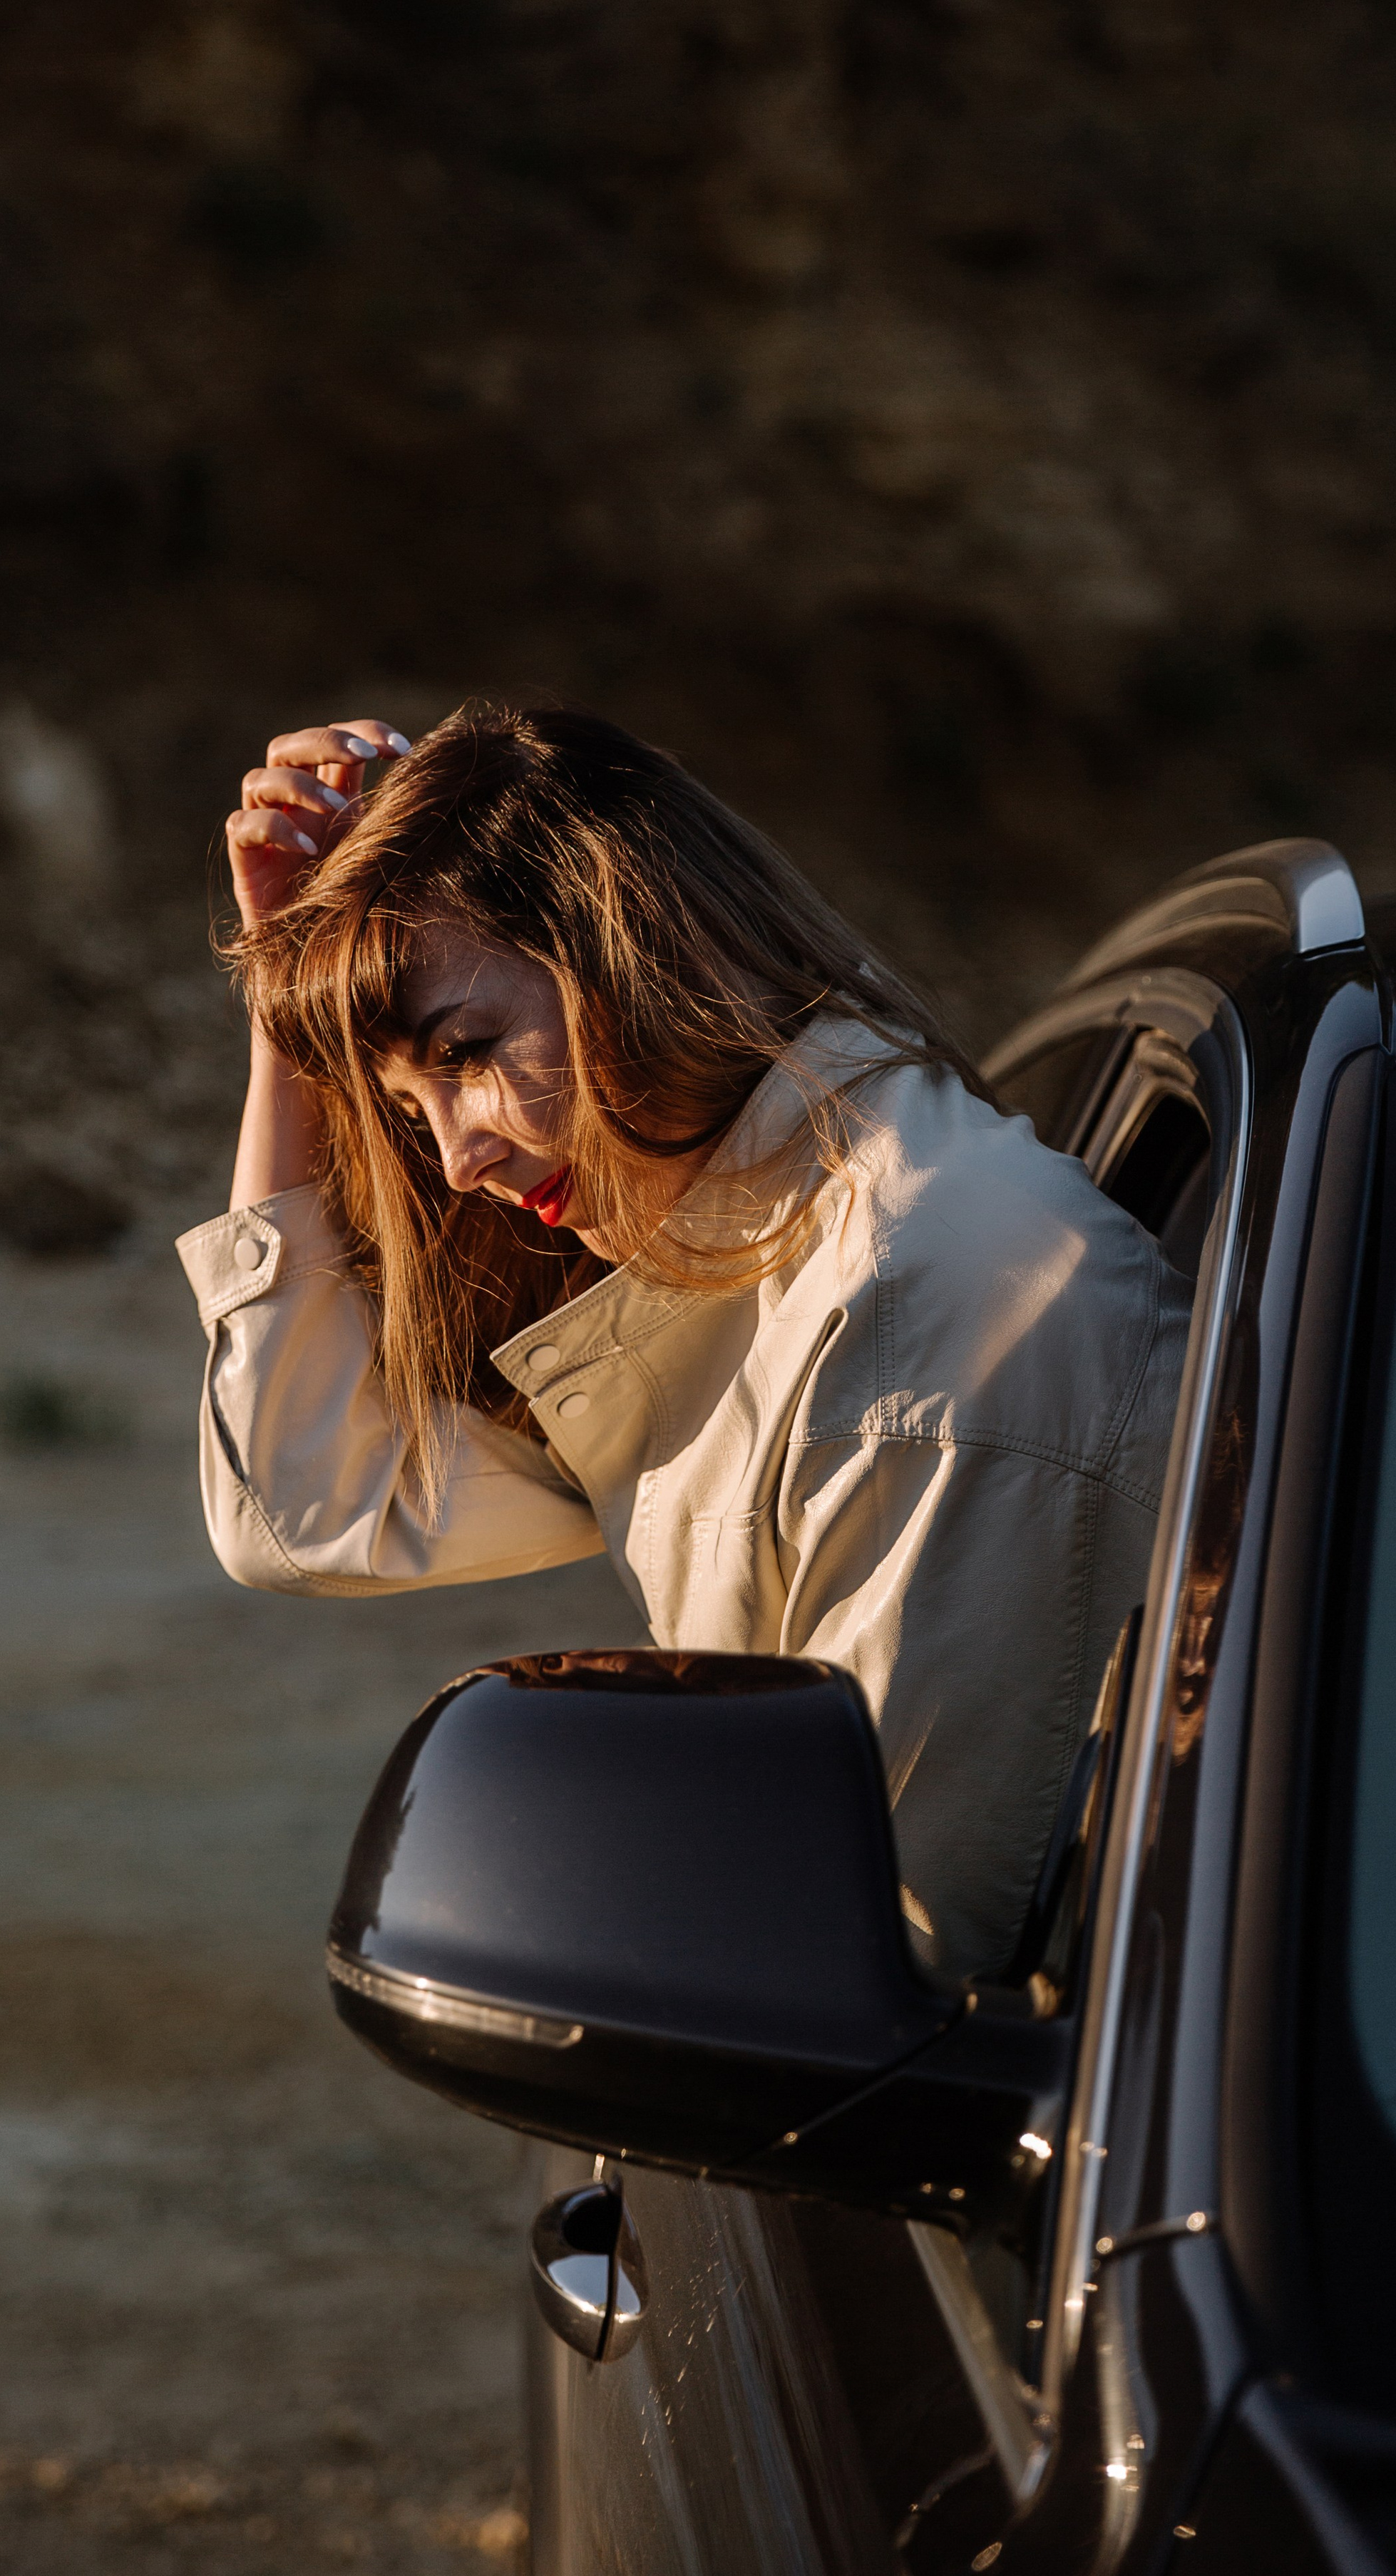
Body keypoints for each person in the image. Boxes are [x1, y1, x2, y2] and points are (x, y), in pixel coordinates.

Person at [178, 702, 1190, 1984]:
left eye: (470, 1053)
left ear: (629, 946)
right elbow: (308, 1500)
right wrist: (294, 995)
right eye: (401, 1104)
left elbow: (897, 1990)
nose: (457, 1155)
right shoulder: (729, 1238)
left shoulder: (918, 1328)